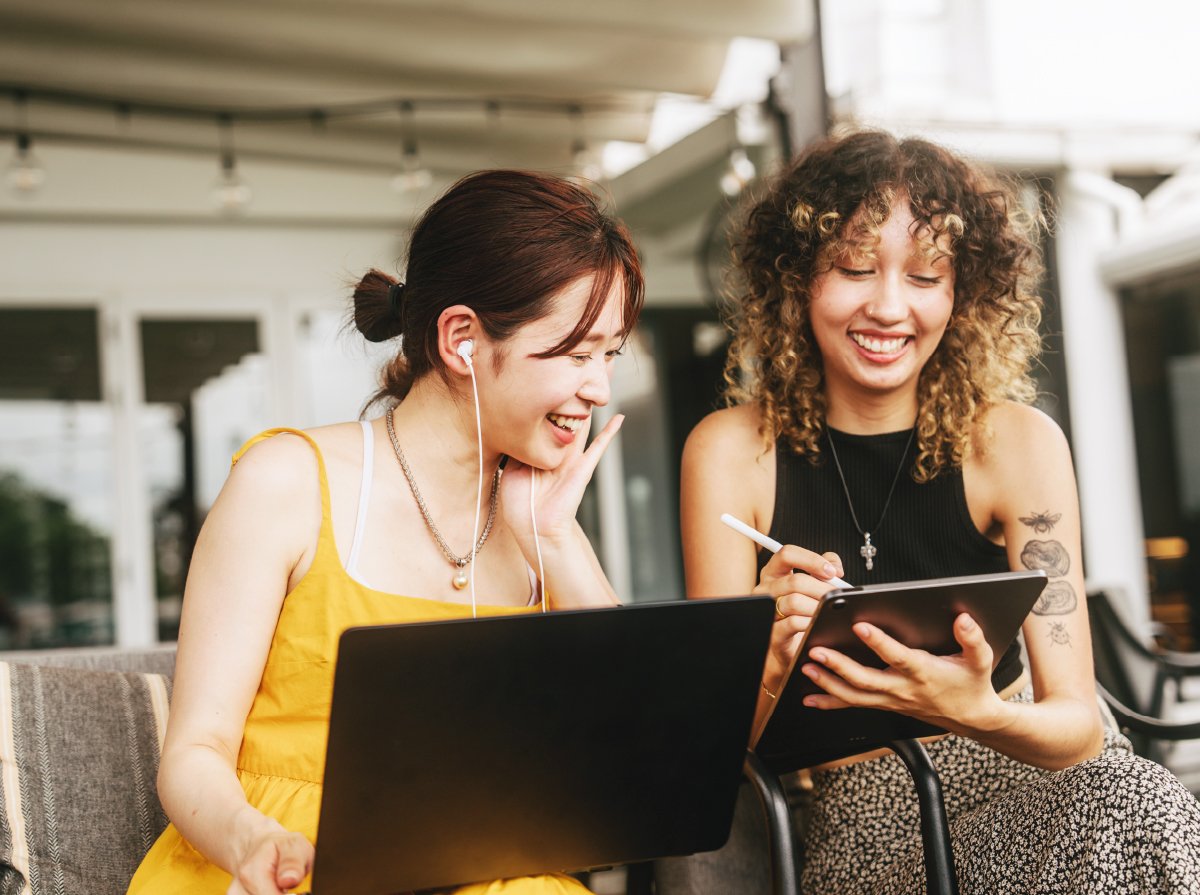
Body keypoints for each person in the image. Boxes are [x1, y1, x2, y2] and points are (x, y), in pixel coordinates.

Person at [681, 130, 1200, 893]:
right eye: (855, 267)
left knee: (1133, 796)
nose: (889, 306)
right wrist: (763, 650)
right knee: (1138, 804)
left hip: (1052, 775)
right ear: (796, 278)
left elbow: (1079, 726)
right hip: (867, 820)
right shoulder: (731, 452)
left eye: (927, 276)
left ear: (963, 293)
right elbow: (711, 764)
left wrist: (975, 710)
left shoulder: (1016, 443)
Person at [127, 170, 644, 895]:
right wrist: (253, 840)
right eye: (576, 352)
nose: (599, 388)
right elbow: (194, 751)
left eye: (611, 354)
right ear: (461, 338)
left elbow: (638, 760)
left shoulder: (538, 520)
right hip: (296, 861)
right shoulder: (287, 482)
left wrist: (558, 539)